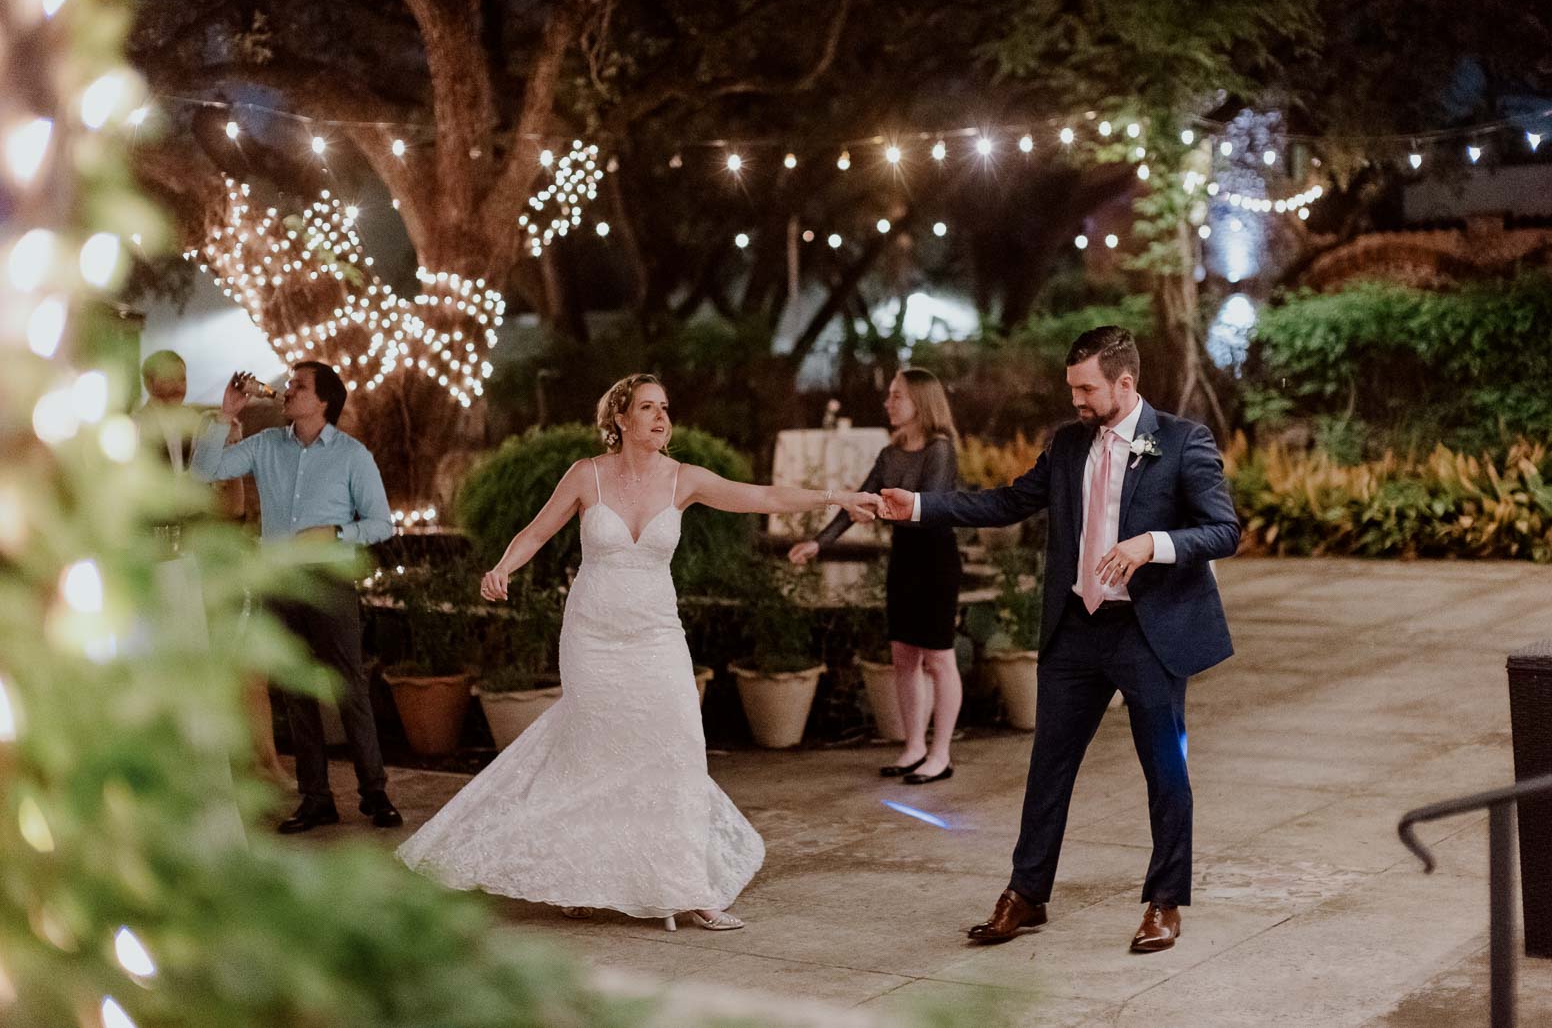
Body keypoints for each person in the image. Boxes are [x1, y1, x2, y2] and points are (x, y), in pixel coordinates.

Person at [397, 373, 881, 931]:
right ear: (621, 419)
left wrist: (837, 497)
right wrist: (503, 567)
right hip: (592, 637)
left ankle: (690, 889)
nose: (661, 419)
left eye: (665, 409)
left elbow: (764, 498)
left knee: (678, 745)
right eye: (648, 408)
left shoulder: (684, 479)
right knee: (591, 752)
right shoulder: (586, 476)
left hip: (656, 636)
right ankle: (575, 877)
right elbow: (535, 532)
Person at [880, 326, 1238, 954]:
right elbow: (1007, 502)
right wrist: (915, 507)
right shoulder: (1069, 445)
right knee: (1048, 767)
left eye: (1086, 388)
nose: (1075, 399)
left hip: (1146, 632)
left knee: (1164, 770)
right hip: (1076, 629)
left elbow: (1223, 531)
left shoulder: (1183, 442)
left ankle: (1164, 902)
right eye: (1071, 386)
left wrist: (1150, 546)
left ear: (1125, 383)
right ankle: (1026, 893)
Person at [191, 361, 400, 834]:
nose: (287, 391)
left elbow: (382, 523)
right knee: (298, 694)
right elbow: (204, 474)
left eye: (298, 386)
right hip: (278, 583)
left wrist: (336, 532)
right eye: (288, 385)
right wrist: (225, 414)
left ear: (323, 400)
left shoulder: (352, 455)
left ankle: (375, 793)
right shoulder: (265, 445)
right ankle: (316, 798)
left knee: (349, 687)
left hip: (328, 581)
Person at [788, 368, 963, 784]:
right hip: (904, 558)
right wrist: (820, 542)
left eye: (896, 396)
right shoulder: (889, 455)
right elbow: (860, 501)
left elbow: (926, 508)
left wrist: (881, 511)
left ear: (920, 401)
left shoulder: (940, 449)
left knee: (938, 657)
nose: (888, 403)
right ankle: (914, 747)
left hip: (936, 557)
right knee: (903, 655)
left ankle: (941, 754)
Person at [134, 351, 294, 793]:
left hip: (209, 557)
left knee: (247, 666)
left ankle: (264, 763)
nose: (181, 385)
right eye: (172, 378)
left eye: (185, 377)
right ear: (149, 380)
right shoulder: (130, 433)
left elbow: (227, 492)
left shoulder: (203, 426)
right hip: (161, 563)